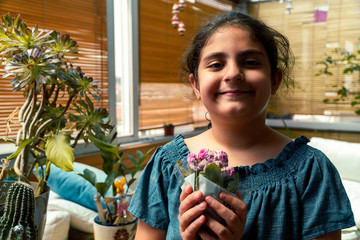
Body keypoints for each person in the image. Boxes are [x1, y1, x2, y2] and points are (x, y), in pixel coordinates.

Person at [128, 11, 355, 239]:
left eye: (250, 62)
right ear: (195, 84)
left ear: (275, 80)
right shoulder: (166, 166)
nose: (234, 73)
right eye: (216, 64)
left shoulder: (311, 172)